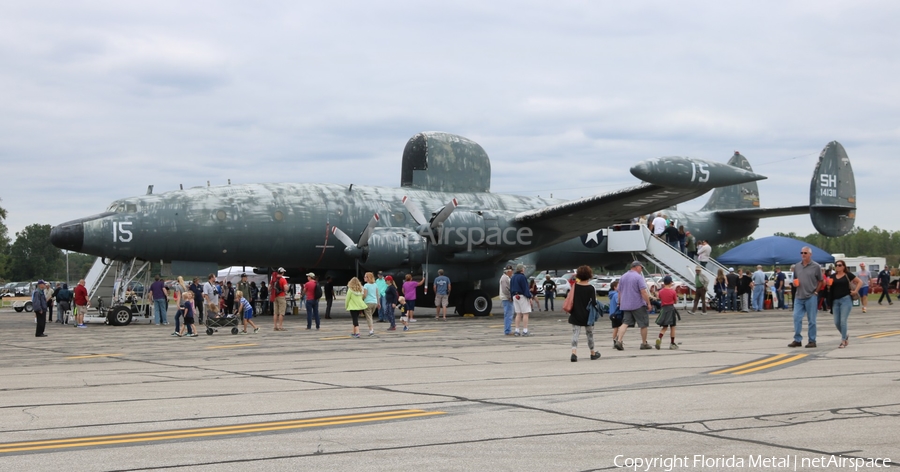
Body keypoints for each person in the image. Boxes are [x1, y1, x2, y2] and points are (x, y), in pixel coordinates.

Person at [789, 246, 824, 348]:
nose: (803, 255)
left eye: (805, 253)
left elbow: (821, 280)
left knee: (812, 320)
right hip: (799, 296)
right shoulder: (797, 266)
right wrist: (795, 284)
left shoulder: (816, 266)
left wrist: (816, 292)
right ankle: (797, 339)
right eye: (802, 253)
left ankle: (812, 340)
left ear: (810, 254)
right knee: (796, 317)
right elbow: (795, 278)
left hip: (811, 296)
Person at [614, 261, 652, 350]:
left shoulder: (623, 277)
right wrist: (648, 303)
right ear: (637, 267)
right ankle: (644, 343)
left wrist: (619, 302)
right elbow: (643, 292)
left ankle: (619, 341)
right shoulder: (638, 277)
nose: (641, 270)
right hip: (638, 304)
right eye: (641, 268)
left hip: (625, 304)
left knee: (625, 323)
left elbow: (620, 292)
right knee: (643, 324)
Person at [566, 265, 601, 362]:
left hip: (576, 313)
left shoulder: (575, 286)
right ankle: (592, 353)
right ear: (589, 275)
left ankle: (574, 353)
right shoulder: (591, 288)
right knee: (589, 334)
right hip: (588, 315)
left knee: (575, 334)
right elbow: (594, 303)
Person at [830, 260, 861, 349]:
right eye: (836, 265)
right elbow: (829, 287)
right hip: (835, 301)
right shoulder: (832, 276)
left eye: (840, 265)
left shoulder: (848, 275)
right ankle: (845, 335)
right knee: (836, 322)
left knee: (843, 321)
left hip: (845, 300)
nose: (838, 267)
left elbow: (860, 282)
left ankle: (843, 340)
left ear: (843, 266)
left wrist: (855, 291)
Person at [655, 276, 680, 349]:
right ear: (670, 282)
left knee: (664, 327)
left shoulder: (661, 291)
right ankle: (672, 343)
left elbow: (659, 298)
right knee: (672, 327)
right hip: (671, 309)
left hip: (663, 309)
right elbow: (675, 302)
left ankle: (659, 338)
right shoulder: (673, 291)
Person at [510, 264, 533, 336]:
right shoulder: (522, 277)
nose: (524, 269)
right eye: (523, 268)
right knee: (525, 313)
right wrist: (529, 297)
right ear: (521, 269)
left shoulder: (513, 277)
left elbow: (511, 288)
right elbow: (525, 288)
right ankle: (525, 330)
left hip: (515, 296)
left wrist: (512, 297)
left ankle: (517, 330)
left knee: (518, 314)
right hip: (522, 296)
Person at [608, 280, 623, 348]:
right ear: (615, 287)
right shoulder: (616, 294)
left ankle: (615, 340)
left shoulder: (612, 294)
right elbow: (619, 303)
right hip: (616, 314)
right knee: (618, 328)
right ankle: (616, 340)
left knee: (616, 328)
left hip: (612, 313)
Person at [499, 265, 514, 335]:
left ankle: (508, 330)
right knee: (508, 315)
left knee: (508, 314)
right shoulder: (505, 278)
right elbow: (505, 289)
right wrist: (509, 297)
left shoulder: (505, 277)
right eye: (511, 271)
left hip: (506, 298)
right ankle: (507, 331)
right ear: (509, 271)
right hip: (507, 299)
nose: (512, 272)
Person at [363, 272, 379, 336]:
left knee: (369, 317)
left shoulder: (366, 285)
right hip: (374, 302)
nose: (364, 278)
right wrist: (378, 303)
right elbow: (377, 294)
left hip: (368, 302)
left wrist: (361, 298)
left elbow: (365, 295)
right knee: (370, 316)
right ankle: (371, 328)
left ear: (368, 278)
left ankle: (371, 330)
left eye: (365, 277)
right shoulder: (375, 285)